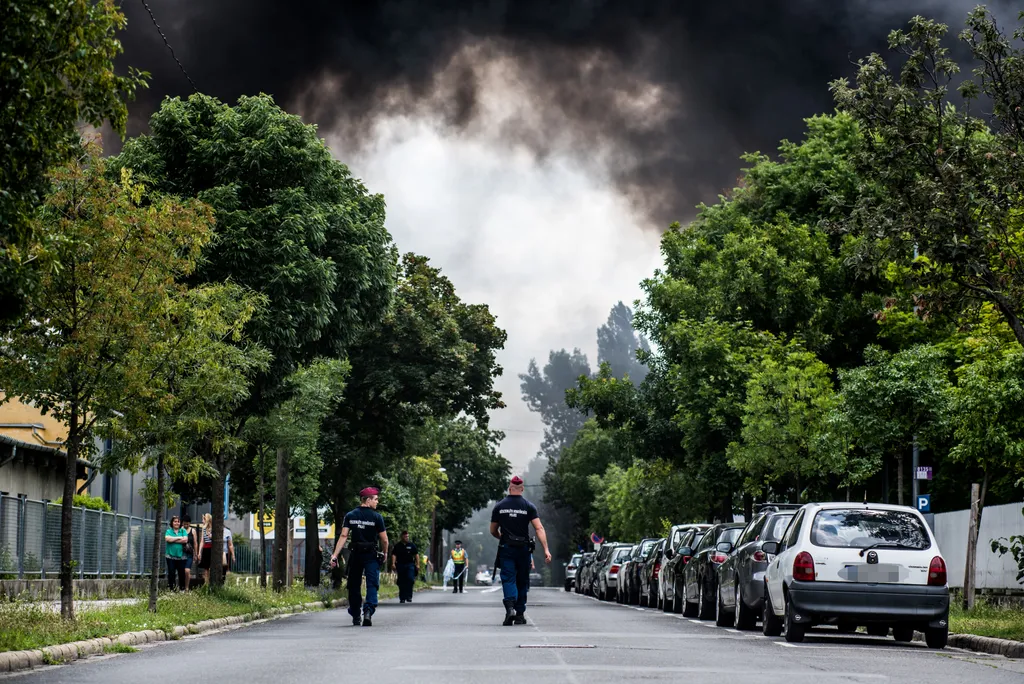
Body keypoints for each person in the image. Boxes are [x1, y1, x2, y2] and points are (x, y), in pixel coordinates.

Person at [490, 475, 551, 626]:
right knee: (522, 581)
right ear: (522, 489)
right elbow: (539, 528)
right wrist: (546, 550)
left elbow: (493, 530)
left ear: (509, 488)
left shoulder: (499, 506)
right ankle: (520, 614)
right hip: (524, 549)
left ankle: (510, 608)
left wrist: (501, 537)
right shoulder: (529, 506)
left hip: (507, 548)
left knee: (508, 578)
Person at [331, 487, 388, 627]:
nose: (377, 501)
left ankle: (356, 615)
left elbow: (344, 536)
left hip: (355, 554)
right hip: (371, 555)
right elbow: (384, 540)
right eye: (375, 499)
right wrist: (385, 552)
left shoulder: (350, 515)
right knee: (372, 584)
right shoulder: (377, 517)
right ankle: (368, 611)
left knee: (354, 585)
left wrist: (335, 555)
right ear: (367, 500)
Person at [391, 531, 418, 604]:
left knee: (410, 579)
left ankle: (409, 596)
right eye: (405, 536)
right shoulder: (398, 546)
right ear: (402, 537)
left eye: (407, 536)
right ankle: (402, 597)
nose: (407, 537)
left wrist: (417, 564)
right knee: (401, 581)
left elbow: (416, 554)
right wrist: (393, 563)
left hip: (410, 565)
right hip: (400, 565)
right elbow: (394, 555)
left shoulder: (411, 545)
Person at [164, 516, 188, 591]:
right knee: (171, 574)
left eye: (178, 521)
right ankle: (172, 590)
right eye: (175, 521)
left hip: (182, 556)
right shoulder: (168, 531)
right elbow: (167, 539)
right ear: (172, 523)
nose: (177, 523)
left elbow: (185, 540)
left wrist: (173, 539)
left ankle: (182, 589)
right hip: (170, 556)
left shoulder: (183, 531)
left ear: (180, 523)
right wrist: (179, 538)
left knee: (181, 574)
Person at [182, 514, 197, 591]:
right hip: (181, 553)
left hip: (189, 553)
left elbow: (195, 543)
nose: (186, 525)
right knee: (181, 571)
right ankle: (181, 586)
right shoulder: (180, 530)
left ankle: (187, 587)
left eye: (187, 523)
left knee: (187, 571)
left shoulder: (193, 531)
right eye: (185, 523)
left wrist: (196, 554)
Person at [198, 513, 213, 584]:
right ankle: (206, 583)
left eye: (203, 519)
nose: (202, 521)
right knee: (206, 568)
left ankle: (210, 582)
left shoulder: (213, 528)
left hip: (212, 549)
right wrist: (199, 552)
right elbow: (202, 541)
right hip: (206, 548)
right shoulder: (203, 528)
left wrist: (212, 537)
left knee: (211, 567)